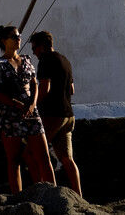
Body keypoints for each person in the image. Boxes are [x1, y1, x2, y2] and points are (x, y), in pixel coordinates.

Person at [0, 25, 56, 194]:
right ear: (4, 41)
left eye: (19, 36)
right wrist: (14, 103)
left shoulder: (26, 60)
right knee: (14, 160)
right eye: (14, 37)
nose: (18, 39)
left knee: (44, 156)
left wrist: (32, 105)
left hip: (31, 112)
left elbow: (34, 84)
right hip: (10, 114)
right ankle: (18, 197)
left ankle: (54, 193)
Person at [30, 30, 82, 196]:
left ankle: (45, 194)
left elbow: (44, 88)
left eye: (35, 48)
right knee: (67, 159)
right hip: (68, 115)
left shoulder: (45, 61)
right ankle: (79, 196)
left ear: (42, 47)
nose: (33, 52)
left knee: (32, 153)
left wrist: (32, 105)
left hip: (52, 115)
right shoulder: (65, 60)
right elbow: (72, 90)